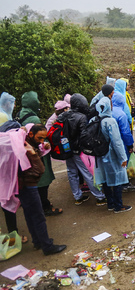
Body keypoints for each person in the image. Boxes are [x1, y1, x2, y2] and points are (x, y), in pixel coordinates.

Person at [19, 124, 67, 255]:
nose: (41, 141)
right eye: (39, 138)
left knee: (29, 214)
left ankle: (37, 241)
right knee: (38, 215)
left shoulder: (23, 142)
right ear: (30, 134)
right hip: (29, 184)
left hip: (22, 184)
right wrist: (35, 154)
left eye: (43, 139)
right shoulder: (26, 147)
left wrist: (41, 148)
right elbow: (39, 168)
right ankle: (47, 246)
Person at [61, 93, 108, 206]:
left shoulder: (64, 115)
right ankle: (99, 197)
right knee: (87, 173)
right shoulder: (81, 117)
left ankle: (77, 197)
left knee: (72, 173)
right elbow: (83, 134)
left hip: (67, 148)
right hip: (78, 149)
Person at [18, 91, 58, 217]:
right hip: (37, 153)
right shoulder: (33, 118)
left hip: (27, 151)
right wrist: (44, 144)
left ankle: (41, 204)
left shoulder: (20, 114)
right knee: (42, 179)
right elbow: (39, 137)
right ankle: (45, 206)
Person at [92, 97, 132, 213]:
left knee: (105, 179)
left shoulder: (94, 120)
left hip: (99, 154)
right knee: (117, 178)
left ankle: (110, 203)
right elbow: (117, 142)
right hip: (111, 154)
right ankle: (119, 206)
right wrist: (123, 157)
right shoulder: (110, 121)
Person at [112, 91, 135, 193]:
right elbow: (126, 132)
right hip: (121, 142)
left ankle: (115, 183)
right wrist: (130, 145)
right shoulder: (121, 114)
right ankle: (124, 184)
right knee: (123, 162)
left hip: (110, 143)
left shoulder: (108, 111)